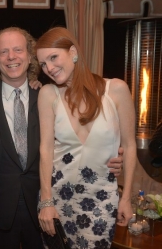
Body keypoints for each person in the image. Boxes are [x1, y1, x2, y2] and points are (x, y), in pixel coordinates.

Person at [0, 27, 125, 249]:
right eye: (4, 52)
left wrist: (116, 157)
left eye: (18, 50)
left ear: (30, 56)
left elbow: (85, 137)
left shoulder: (44, 95)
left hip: (47, 206)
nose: (11, 57)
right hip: (0, 209)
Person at [36, 27, 136, 248]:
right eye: (43, 64)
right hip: (57, 198)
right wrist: (46, 201)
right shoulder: (48, 94)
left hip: (102, 198)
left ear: (73, 52)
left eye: (53, 57)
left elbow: (129, 147)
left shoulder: (116, 90)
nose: (49, 68)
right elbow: (45, 149)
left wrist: (126, 198)